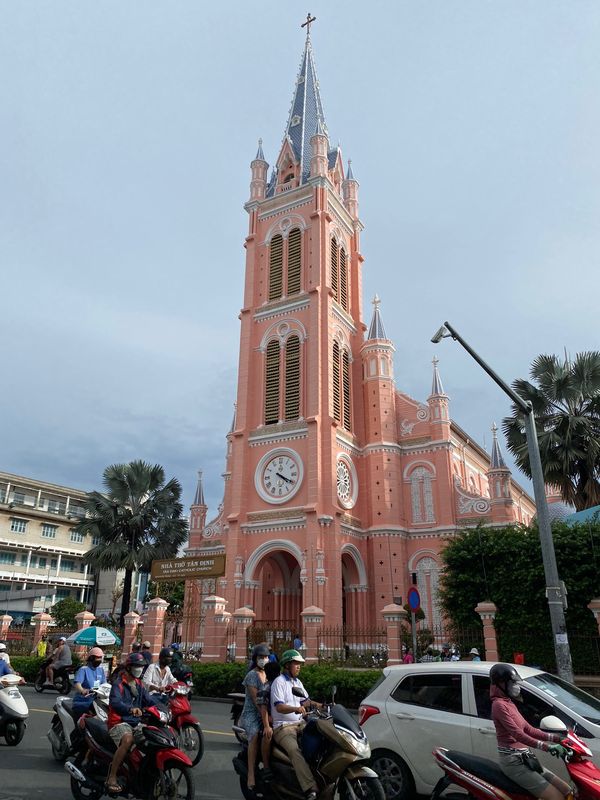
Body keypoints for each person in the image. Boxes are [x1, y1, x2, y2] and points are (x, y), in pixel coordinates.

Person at [490, 663, 570, 800]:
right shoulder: (498, 705)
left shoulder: (508, 702)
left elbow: (529, 729)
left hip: (526, 758)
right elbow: (518, 734)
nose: (516, 686)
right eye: (513, 682)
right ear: (501, 684)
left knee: (567, 790)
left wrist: (558, 739)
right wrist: (548, 747)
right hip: (513, 763)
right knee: (556, 798)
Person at [270, 649, 320, 800]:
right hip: (283, 727)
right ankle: (310, 787)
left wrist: (324, 705)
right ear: (286, 665)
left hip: (300, 724)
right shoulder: (279, 682)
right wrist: (296, 708)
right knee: (295, 751)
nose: (299, 667)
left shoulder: (297, 682)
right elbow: (279, 707)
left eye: (300, 664)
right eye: (296, 664)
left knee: (321, 738)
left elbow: (306, 701)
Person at [106, 652, 155, 795]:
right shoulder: (118, 684)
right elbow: (115, 703)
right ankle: (112, 776)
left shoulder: (139, 684)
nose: (139, 669)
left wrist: (166, 705)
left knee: (153, 736)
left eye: (141, 667)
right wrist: (130, 709)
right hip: (119, 722)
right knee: (127, 740)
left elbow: (150, 700)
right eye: (136, 666)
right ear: (128, 668)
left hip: (135, 723)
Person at [239, 644, 273, 792]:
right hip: (252, 714)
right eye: (260, 657)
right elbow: (257, 702)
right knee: (254, 736)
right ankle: (251, 774)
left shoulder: (269, 675)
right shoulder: (252, 675)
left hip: (266, 712)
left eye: (265, 657)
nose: (263, 660)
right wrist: (267, 719)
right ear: (255, 659)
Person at [72, 647, 107, 718]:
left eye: (100, 658)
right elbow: (77, 683)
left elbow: (104, 684)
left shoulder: (101, 670)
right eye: (97, 658)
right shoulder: (83, 669)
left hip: (96, 700)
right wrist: (82, 690)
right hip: (83, 701)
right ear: (91, 658)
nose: (99, 660)